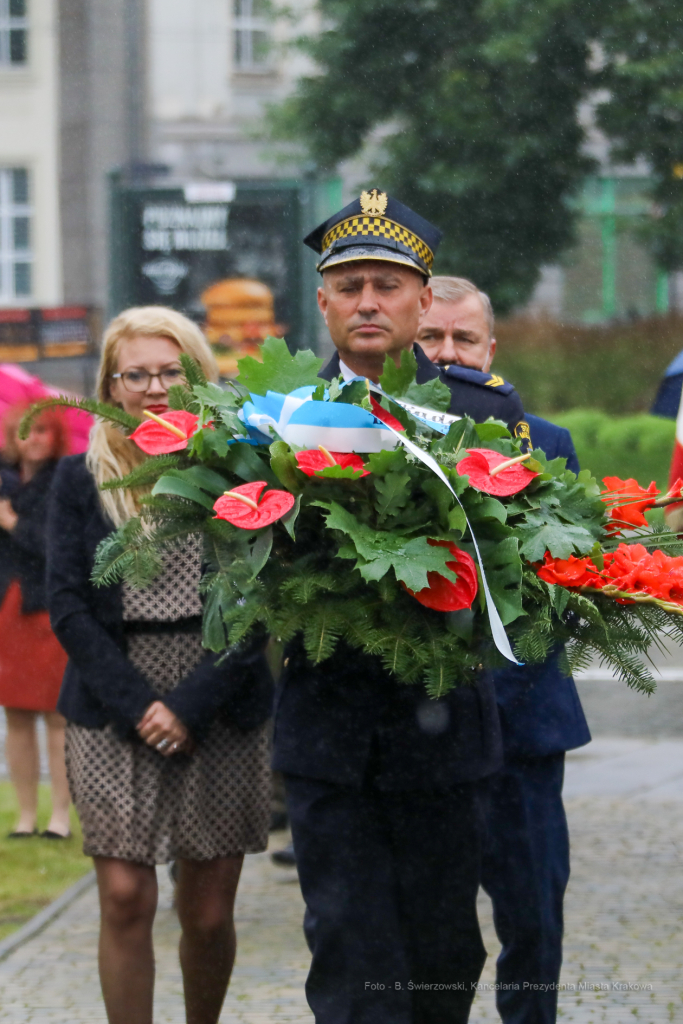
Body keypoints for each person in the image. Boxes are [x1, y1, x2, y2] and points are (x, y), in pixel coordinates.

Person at [271, 190, 525, 1024]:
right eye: (350, 286)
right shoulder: (270, 421)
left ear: (424, 301)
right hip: (329, 739)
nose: (368, 301)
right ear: (323, 301)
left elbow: (514, 563)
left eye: (388, 284)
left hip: (444, 734)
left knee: (446, 951)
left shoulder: (484, 414)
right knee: (349, 952)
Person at [46, 306, 274, 1024]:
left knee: (206, 912)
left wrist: (190, 704)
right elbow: (67, 605)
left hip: (220, 697)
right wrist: (141, 705)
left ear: (197, 377)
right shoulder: (78, 481)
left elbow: (257, 603)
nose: (152, 387)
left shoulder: (238, 469)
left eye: (169, 371)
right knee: (124, 897)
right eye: (134, 374)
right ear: (110, 386)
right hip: (114, 699)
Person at [420, 275, 592, 1024]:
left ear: (491, 348)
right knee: (436, 931)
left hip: (522, 727)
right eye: (430, 339)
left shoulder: (546, 445)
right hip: (421, 732)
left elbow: (568, 585)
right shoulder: (372, 451)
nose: (448, 354)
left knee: (534, 920)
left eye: (464, 339)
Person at [0, 404, 71, 838]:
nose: (35, 438)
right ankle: (26, 817)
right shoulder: (4, 479)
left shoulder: (64, 481)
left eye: (44, 430)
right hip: (7, 611)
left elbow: (55, 547)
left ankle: (60, 817)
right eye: (26, 431)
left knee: (56, 716)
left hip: (46, 609)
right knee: (16, 716)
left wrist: (12, 522)